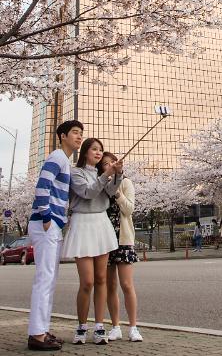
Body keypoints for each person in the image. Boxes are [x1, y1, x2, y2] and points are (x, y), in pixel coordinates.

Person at [27, 119, 84, 352]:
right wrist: (47, 216)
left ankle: (41, 329)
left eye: (81, 133)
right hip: (45, 224)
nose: (79, 137)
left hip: (53, 224)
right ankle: (37, 335)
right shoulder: (57, 157)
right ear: (62, 135)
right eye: (74, 132)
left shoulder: (65, 161)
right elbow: (42, 187)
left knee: (49, 279)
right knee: (45, 279)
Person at [62, 138, 123, 346]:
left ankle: (99, 326)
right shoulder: (75, 172)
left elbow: (112, 192)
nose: (99, 153)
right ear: (85, 152)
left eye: (101, 150)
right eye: (94, 149)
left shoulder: (101, 174)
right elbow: (88, 192)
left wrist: (118, 174)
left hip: (101, 222)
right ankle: (81, 325)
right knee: (87, 282)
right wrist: (107, 174)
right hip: (82, 223)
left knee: (101, 279)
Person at [98, 152, 143, 343]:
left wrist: (116, 191)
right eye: (104, 165)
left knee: (126, 284)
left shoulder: (126, 183)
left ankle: (133, 327)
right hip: (106, 240)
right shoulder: (100, 187)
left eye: (111, 163)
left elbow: (129, 209)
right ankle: (115, 326)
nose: (108, 166)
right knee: (110, 286)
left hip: (123, 239)